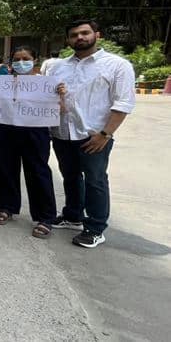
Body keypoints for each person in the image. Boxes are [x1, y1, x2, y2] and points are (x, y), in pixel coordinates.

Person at [48, 19, 136, 248]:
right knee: (70, 176)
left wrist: (105, 134)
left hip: (94, 135)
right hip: (62, 132)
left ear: (97, 35)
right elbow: (47, 98)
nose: (80, 37)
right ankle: (72, 216)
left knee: (96, 180)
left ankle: (95, 228)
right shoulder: (58, 67)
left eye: (85, 33)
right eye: (74, 34)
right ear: (68, 40)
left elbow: (123, 103)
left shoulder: (117, 65)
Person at [0, 46, 60, 238]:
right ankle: (8, 207)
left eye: (25, 58)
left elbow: (61, 109)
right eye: (17, 59)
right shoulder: (1, 83)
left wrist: (60, 95)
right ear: (11, 62)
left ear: (34, 60)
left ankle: (45, 217)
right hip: (5, 130)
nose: (21, 62)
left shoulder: (46, 84)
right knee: (6, 169)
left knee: (38, 171)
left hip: (35, 131)